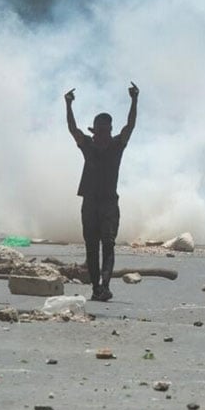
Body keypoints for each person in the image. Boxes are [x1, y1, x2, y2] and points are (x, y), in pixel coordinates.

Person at [65, 83, 139, 302]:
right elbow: (72, 129)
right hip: (90, 203)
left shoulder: (117, 145)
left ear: (109, 131)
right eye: (100, 131)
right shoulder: (88, 145)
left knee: (108, 245)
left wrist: (134, 100)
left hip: (107, 203)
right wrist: (68, 105)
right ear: (95, 132)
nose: (102, 135)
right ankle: (97, 287)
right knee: (91, 247)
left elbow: (130, 125)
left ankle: (104, 285)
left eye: (106, 131)